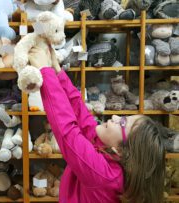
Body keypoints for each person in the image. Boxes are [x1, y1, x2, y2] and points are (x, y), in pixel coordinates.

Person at [28, 47, 166, 203]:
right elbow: (81, 113)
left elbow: (67, 130)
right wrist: (58, 72)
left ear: (121, 151)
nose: (114, 116)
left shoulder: (103, 174)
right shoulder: (108, 151)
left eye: (122, 123)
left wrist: (45, 73)